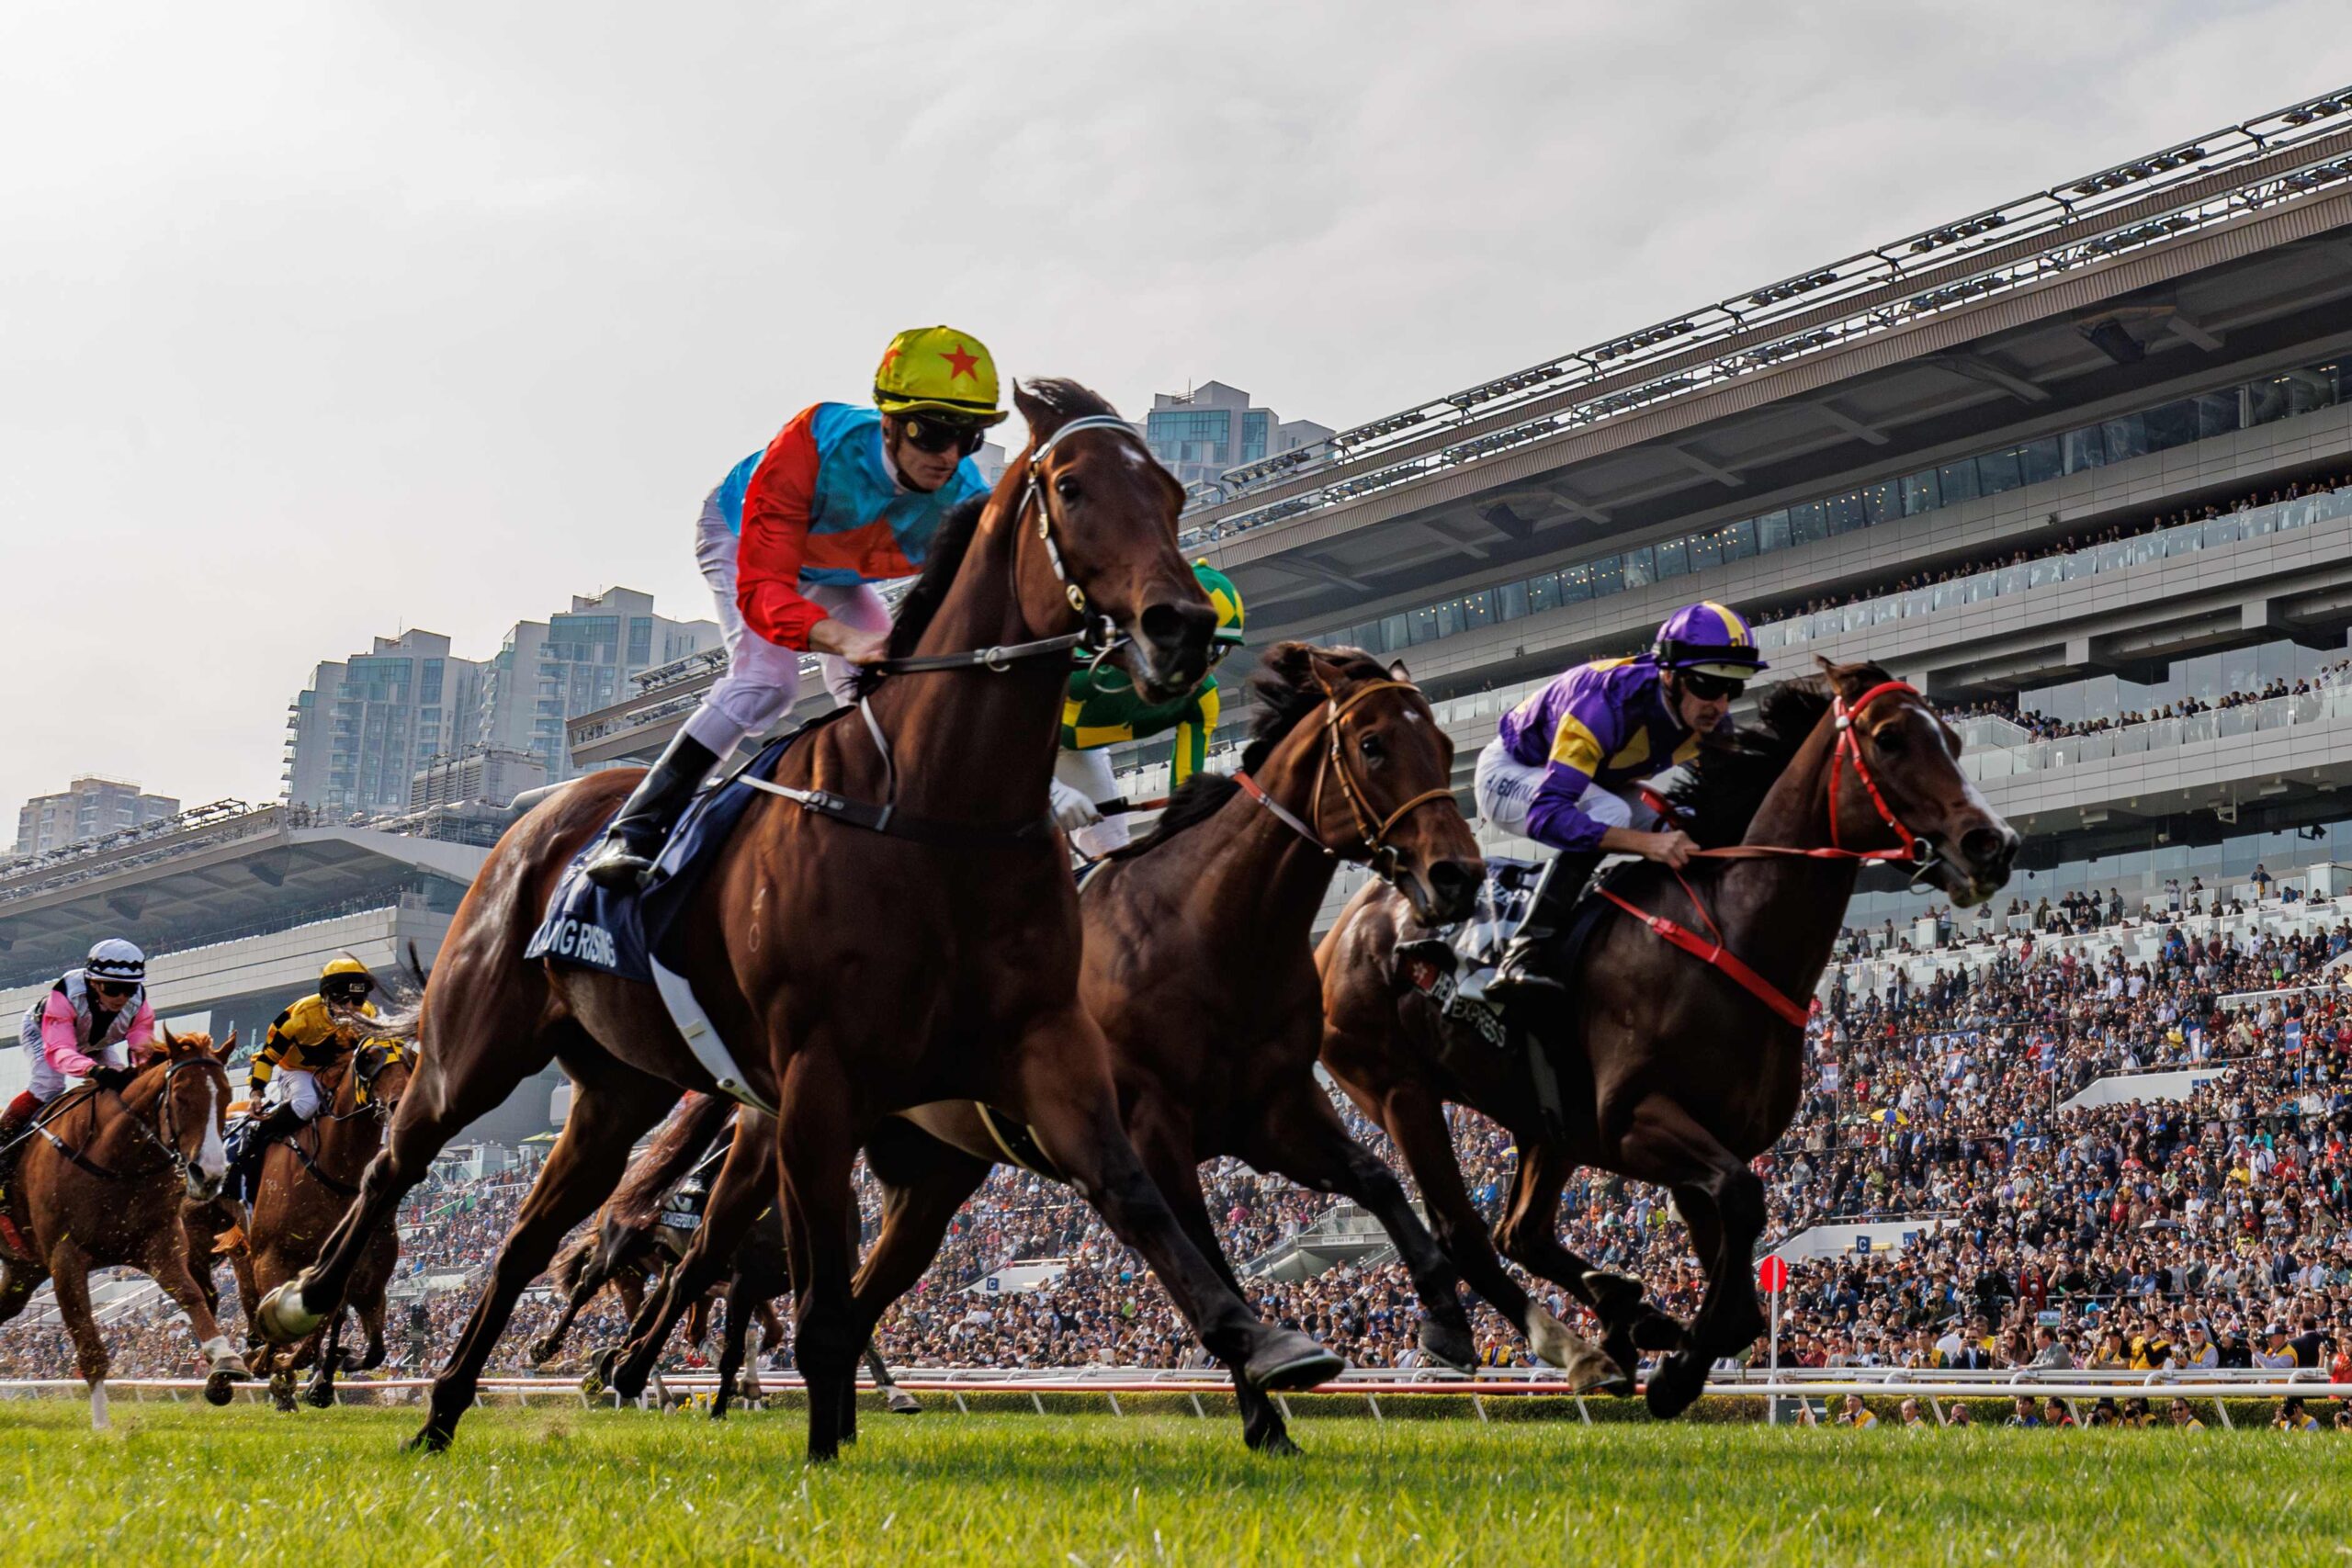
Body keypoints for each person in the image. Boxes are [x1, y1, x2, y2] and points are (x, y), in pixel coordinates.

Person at [582, 325, 1008, 889]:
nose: (950, 457)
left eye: (969, 438)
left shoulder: (968, 497)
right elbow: (765, 596)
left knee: (886, 680)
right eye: (932, 434)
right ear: (890, 421)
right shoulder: (813, 443)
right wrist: (843, 638)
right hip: (742, 532)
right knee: (767, 681)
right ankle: (634, 828)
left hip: (834, 563)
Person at [1476, 603, 1766, 1008]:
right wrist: (1644, 845)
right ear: (1670, 674)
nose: (1718, 705)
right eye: (1705, 685)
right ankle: (1524, 951)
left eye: (1732, 689)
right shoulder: (1605, 705)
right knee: (1614, 816)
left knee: (1683, 826)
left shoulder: (1713, 723)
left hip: (1594, 780)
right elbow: (1548, 816)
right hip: (1511, 770)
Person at [1051, 561, 1245, 857]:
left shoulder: (1203, 700)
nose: (1199, 668)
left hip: (1077, 753)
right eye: (1194, 648)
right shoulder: (1087, 667)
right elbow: (1003, 717)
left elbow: (1183, 800)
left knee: (1111, 852)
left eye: (1214, 651)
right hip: (1020, 741)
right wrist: (1050, 788)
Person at [1, 940, 155, 1190]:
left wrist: (140, 1074)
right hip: (44, 1032)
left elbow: (142, 1048)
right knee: (49, 1084)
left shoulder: (139, 1003)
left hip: (96, 1040)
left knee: (123, 1087)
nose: (121, 998)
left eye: (128, 989)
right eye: (112, 988)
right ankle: (4, 1143)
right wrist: (93, 1070)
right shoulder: (66, 993)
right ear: (93, 982)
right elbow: (60, 1051)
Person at [233, 957, 380, 1181]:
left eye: (357, 1001)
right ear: (327, 997)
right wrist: (256, 1094)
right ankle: (260, 1132)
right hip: (297, 1069)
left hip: (338, 1070)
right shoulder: (300, 1016)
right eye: (343, 1001)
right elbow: (267, 1058)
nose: (351, 1009)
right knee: (307, 1103)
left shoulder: (368, 1015)